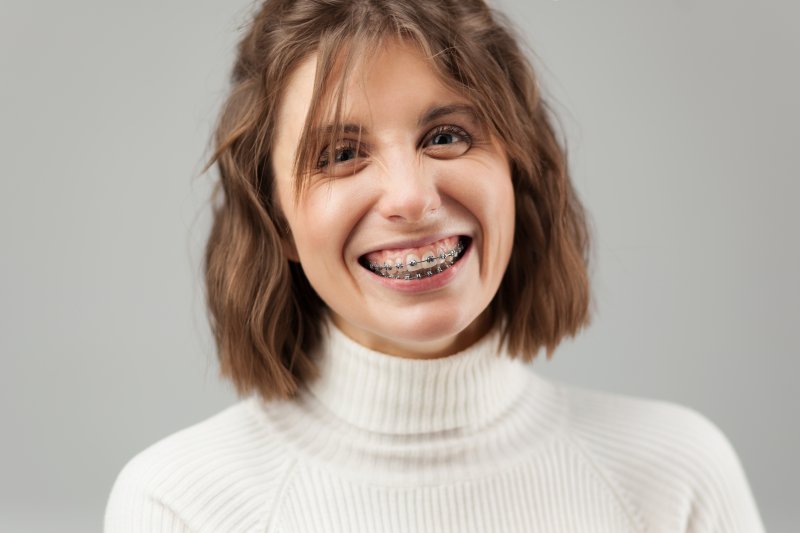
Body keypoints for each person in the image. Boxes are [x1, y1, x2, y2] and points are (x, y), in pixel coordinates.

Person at [104, 1, 766, 531]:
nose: (413, 199)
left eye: (446, 136)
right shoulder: (179, 505)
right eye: (339, 154)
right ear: (278, 222)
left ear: (517, 172)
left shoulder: (675, 474)